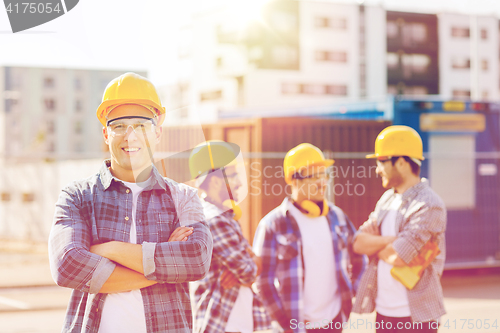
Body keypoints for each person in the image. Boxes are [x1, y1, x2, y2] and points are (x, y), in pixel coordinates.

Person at [48, 72, 213, 333]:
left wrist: (107, 249)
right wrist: (165, 262)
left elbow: (197, 259)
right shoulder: (78, 196)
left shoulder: (184, 197)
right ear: (105, 134)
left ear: (157, 132)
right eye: (119, 126)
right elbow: (67, 265)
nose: (130, 136)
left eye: (141, 125)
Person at [253, 143, 366, 333]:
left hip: (336, 322)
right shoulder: (273, 224)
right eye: (314, 176)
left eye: (324, 175)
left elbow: (360, 258)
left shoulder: (338, 217)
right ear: (294, 181)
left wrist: (353, 292)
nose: (323, 182)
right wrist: (286, 323)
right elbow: (263, 282)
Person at [352, 125, 447, 333]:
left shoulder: (429, 204)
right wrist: (391, 240)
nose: (377, 169)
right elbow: (358, 242)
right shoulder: (387, 199)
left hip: (417, 317)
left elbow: (399, 257)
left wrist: (377, 245)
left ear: (402, 163)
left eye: (381, 162)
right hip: (385, 314)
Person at [189, 140, 272, 333]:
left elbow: (254, 265)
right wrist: (247, 268)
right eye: (234, 176)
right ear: (216, 180)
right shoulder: (215, 220)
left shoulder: (223, 216)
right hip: (223, 324)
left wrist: (246, 268)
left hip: (233, 323)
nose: (240, 182)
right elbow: (250, 271)